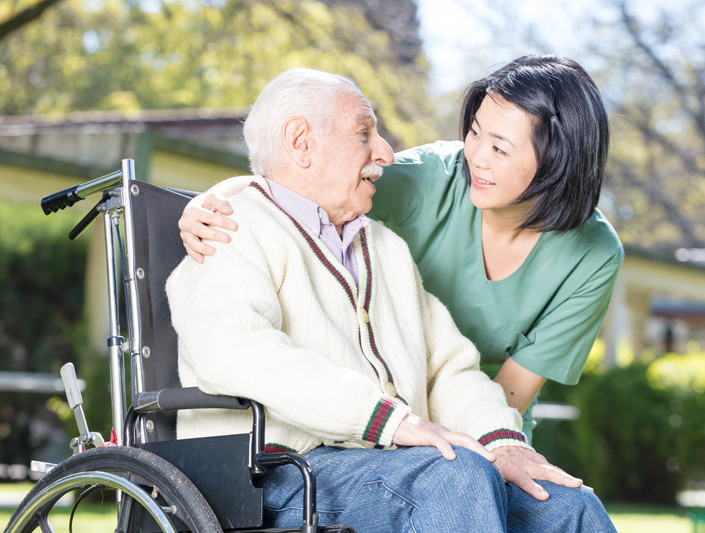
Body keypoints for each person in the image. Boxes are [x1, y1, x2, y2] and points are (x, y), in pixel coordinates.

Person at [166, 67, 616, 532]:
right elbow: (237, 352)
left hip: (387, 470)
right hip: (273, 475)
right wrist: (389, 421)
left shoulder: (384, 247)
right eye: (365, 133)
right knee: (454, 476)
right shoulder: (230, 230)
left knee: (568, 505)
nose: (384, 152)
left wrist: (504, 443)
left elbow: (449, 367)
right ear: (300, 142)